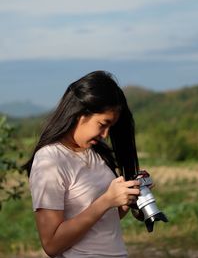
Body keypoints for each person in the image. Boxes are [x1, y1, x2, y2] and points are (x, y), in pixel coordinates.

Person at [23, 70, 142, 258]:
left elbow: (104, 221)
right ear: (80, 114)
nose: (105, 135)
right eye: (103, 124)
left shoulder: (96, 152)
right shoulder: (49, 160)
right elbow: (52, 245)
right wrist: (106, 201)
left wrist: (126, 198)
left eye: (110, 127)